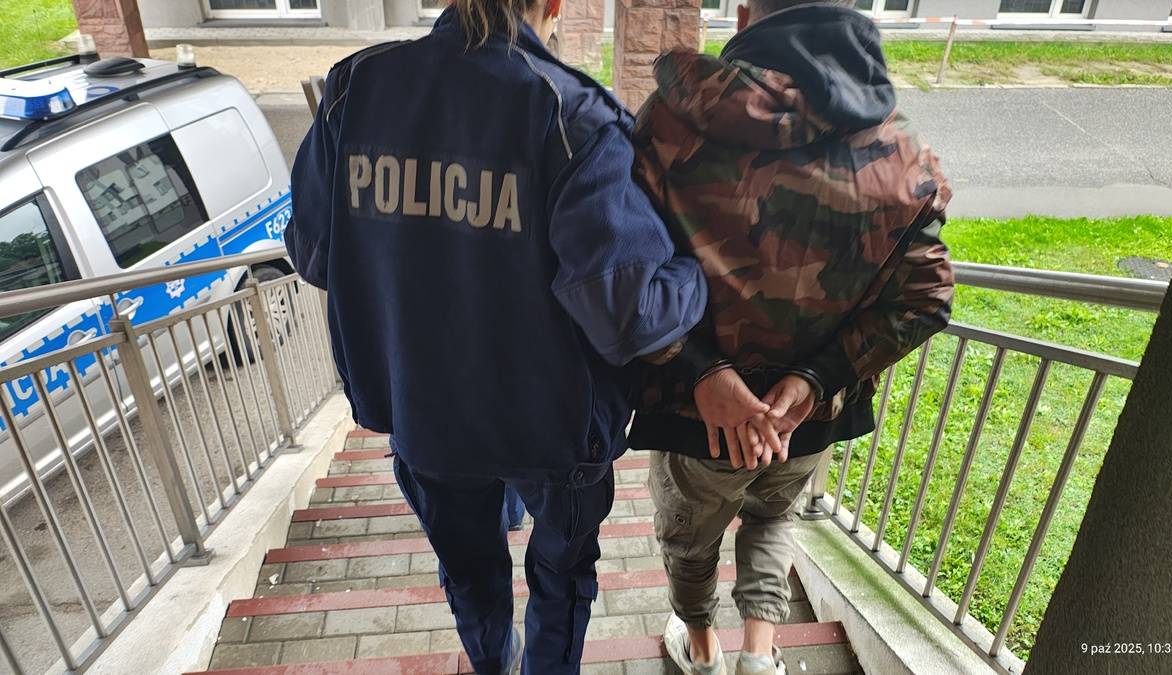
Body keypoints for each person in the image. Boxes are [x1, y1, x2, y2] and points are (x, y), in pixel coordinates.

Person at [283, 0, 763, 671]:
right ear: (554, 4)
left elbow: (313, 254)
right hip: (552, 425)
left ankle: (491, 660)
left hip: (423, 409)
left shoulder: (355, 88)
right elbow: (628, 310)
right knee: (561, 576)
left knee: (470, 568)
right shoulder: (573, 116)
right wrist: (695, 274)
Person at [627, 1, 955, 673]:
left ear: (747, 16)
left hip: (698, 416)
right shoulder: (898, 147)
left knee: (690, 540)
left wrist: (698, 368)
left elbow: (624, 272)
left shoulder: (669, 122)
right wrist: (814, 379)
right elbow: (926, 296)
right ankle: (758, 654)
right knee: (773, 516)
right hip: (805, 418)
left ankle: (701, 650)